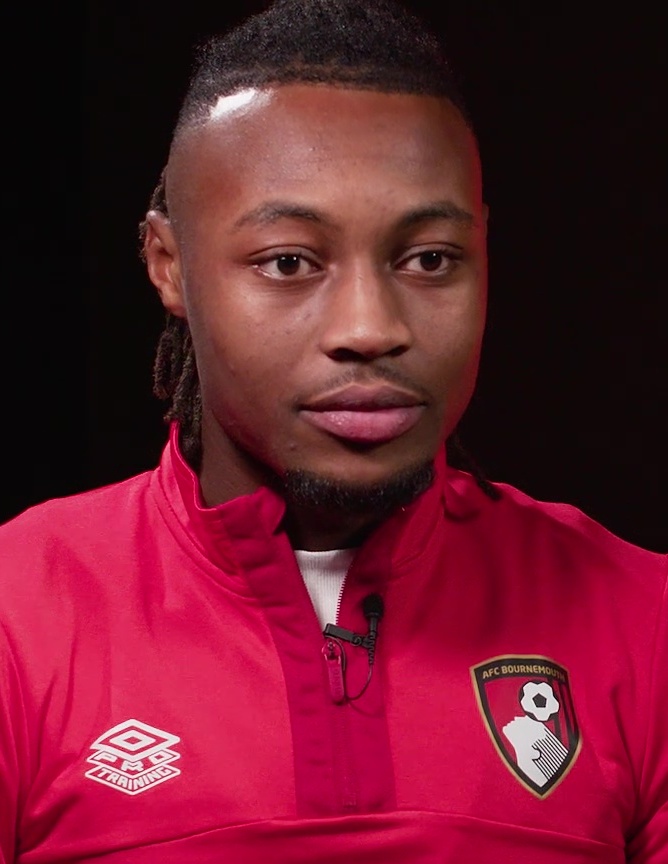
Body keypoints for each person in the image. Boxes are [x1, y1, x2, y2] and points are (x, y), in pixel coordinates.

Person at [1, 0, 666, 861]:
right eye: (289, 262)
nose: (369, 327)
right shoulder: (20, 614)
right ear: (169, 264)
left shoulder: (641, 618)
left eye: (428, 259)